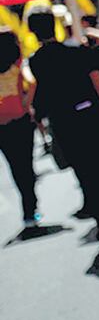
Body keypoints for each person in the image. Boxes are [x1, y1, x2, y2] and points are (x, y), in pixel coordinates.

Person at [28, 7, 99, 274]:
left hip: (66, 126)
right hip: (92, 119)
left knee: (87, 177)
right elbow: (97, 83)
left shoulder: (37, 62)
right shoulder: (76, 52)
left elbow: (40, 100)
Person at [0, 28, 40, 228]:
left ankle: (29, 213)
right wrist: (26, 103)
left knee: (15, 167)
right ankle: (31, 208)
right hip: (21, 118)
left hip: (1, 123)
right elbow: (32, 82)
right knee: (26, 164)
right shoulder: (18, 64)